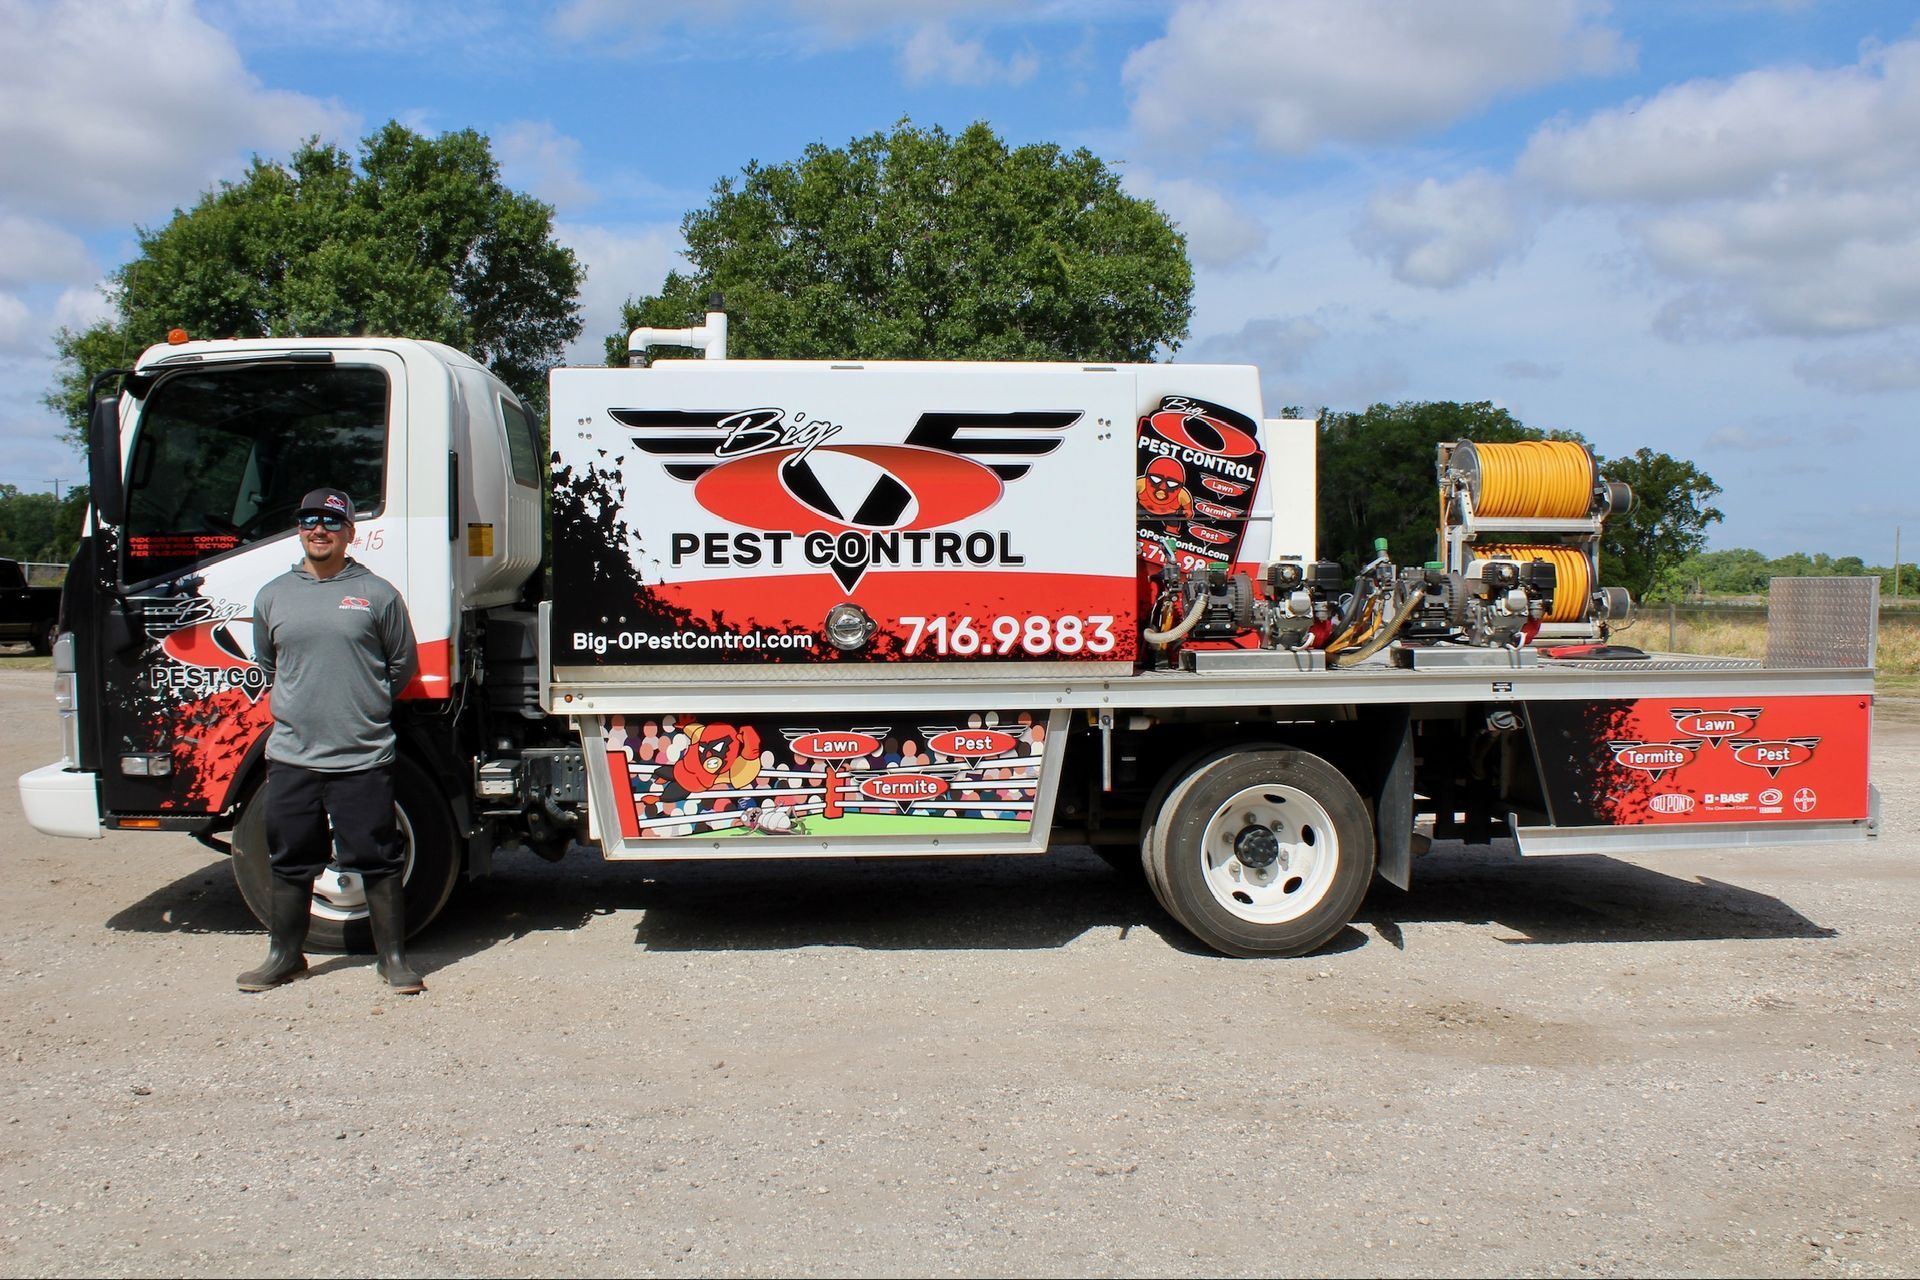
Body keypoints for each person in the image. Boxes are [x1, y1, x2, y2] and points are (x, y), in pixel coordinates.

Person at [237, 488, 423, 994]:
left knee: (378, 856)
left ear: (349, 533)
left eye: (331, 522)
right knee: (291, 856)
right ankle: (283, 956)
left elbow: (402, 664)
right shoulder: (273, 594)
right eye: (309, 521)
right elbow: (269, 662)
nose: (319, 529)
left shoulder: (377, 594)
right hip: (293, 754)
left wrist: (363, 704)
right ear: (299, 530)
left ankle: (393, 959)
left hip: (361, 754)